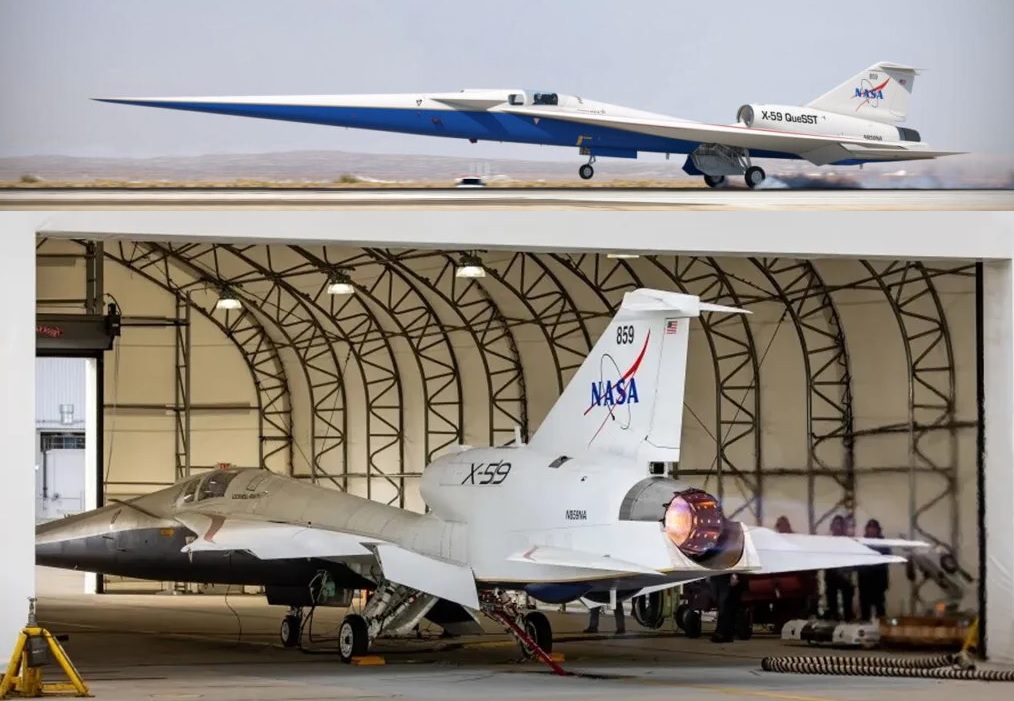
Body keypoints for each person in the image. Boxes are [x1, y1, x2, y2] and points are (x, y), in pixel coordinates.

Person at [856, 518, 891, 621]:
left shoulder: (883, 543)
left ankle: (882, 624)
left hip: (878, 578)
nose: (872, 530)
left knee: (879, 604)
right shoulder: (862, 542)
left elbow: (887, 559)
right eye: (870, 528)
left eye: (874, 528)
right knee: (864, 605)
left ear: (878, 530)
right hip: (865, 578)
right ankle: (865, 621)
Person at [823, 515, 856, 621]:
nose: (838, 528)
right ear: (832, 527)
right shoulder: (827, 541)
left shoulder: (850, 541)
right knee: (831, 597)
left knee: (847, 598)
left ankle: (848, 618)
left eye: (840, 525)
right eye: (836, 525)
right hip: (831, 573)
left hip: (845, 574)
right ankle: (834, 616)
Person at [709, 572, 746, 643]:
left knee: (724, 605)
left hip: (724, 575)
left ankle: (721, 633)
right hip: (722, 575)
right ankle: (726, 634)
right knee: (724, 605)